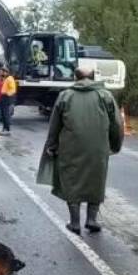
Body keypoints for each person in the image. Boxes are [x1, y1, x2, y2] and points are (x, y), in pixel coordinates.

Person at [41, 66, 122, 233]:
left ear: (75, 78)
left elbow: (55, 125)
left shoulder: (65, 95)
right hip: (98, 149)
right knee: (96, 180)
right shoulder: (105, 95)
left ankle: (75, 223)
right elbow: (116, 124)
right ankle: (92, 219)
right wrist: (115, 145)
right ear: (93, 77)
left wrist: (51, 145)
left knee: (72, 181)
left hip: (70, 148)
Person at [0, 69, 17, 135]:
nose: (1, 73)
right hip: (3, 98)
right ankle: (4, 128)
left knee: (5, 114)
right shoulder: (5, 79)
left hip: (6, 98)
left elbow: (13, 89)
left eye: (2, 72)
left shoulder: (10, 78)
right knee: (3, 114)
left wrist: (7, 93)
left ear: (6, 72)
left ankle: (7, 129)